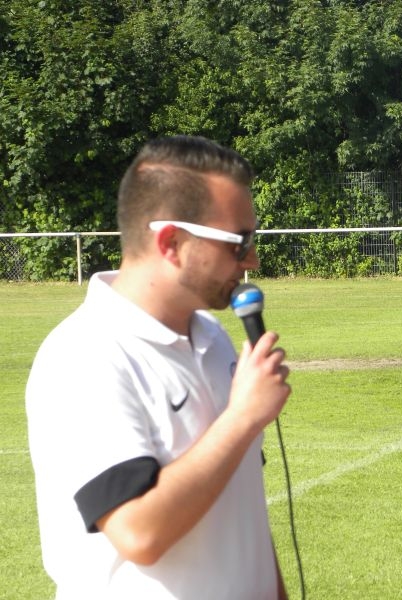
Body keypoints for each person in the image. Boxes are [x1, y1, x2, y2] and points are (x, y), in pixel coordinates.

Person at [26, 135, 291, 599]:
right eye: (239, 242)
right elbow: (140, 532)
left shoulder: (214, 338)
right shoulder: (84, 355)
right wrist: (243, 418)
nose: (252, 259)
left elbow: (242, 504)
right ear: (171, 242)